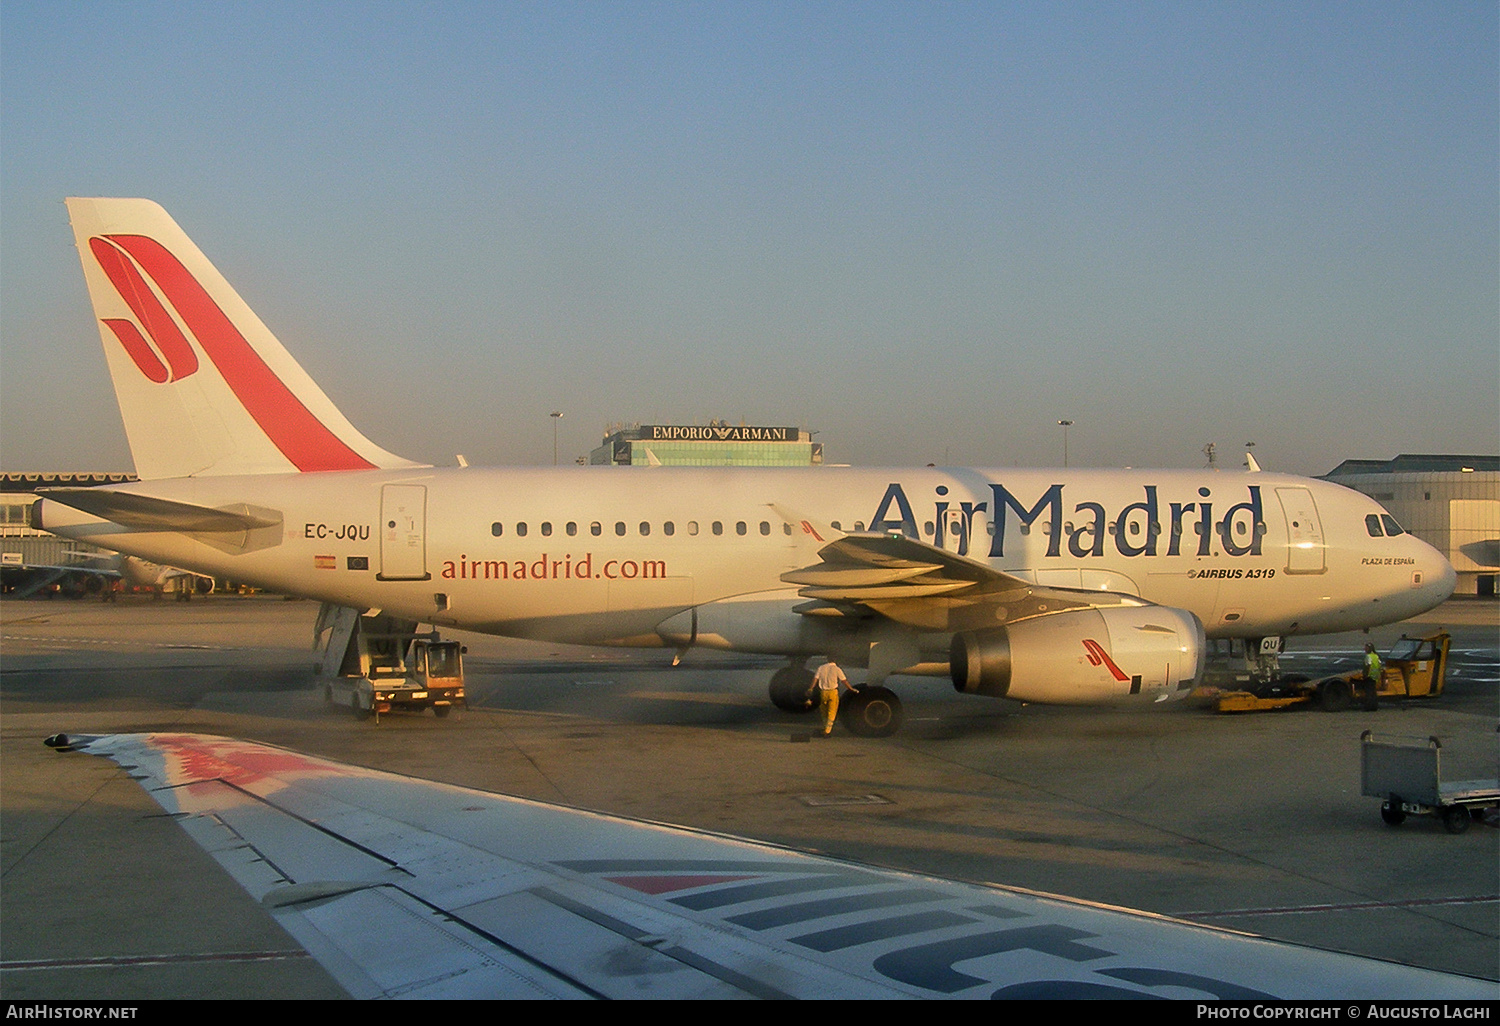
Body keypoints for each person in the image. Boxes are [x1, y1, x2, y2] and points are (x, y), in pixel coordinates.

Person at [806, 659, 849, 736]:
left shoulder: (821, 668)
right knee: (832, 712)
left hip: (823, 692)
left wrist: (810, 688)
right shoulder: (837, 669)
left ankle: (825, 727)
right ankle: (827, 731)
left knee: (824, 711)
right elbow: (844, 681)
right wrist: (851, 688)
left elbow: (815, 679)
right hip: (833, 692)